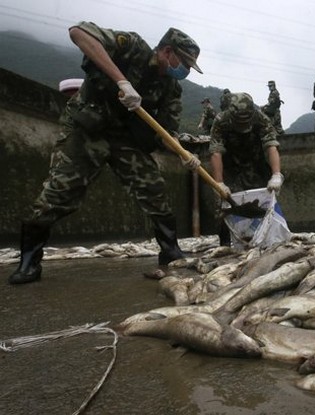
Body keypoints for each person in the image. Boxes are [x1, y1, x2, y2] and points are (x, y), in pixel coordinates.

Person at [7, 22, 203, 285]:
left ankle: (170, 251)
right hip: (89, 129)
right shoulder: (131, 46)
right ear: (167, 51)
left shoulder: (170, 88)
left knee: (153, 189)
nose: (185, 71)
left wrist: (182, 154)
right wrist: (121, 80)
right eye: (185, 63)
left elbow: (166, 131)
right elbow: (78, 32)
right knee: (60, 192)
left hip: (125, 138)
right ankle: (30, 261)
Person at [208, 92, 283, 246]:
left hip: (255, 163)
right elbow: (216, 152)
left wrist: (276, 174)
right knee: (224, 205)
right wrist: (219, 183)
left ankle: (265, 240)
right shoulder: (221, 120)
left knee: (262, 202)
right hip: (230, 165)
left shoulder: (261, 118)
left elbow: (271, 146)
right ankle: (226, 244)